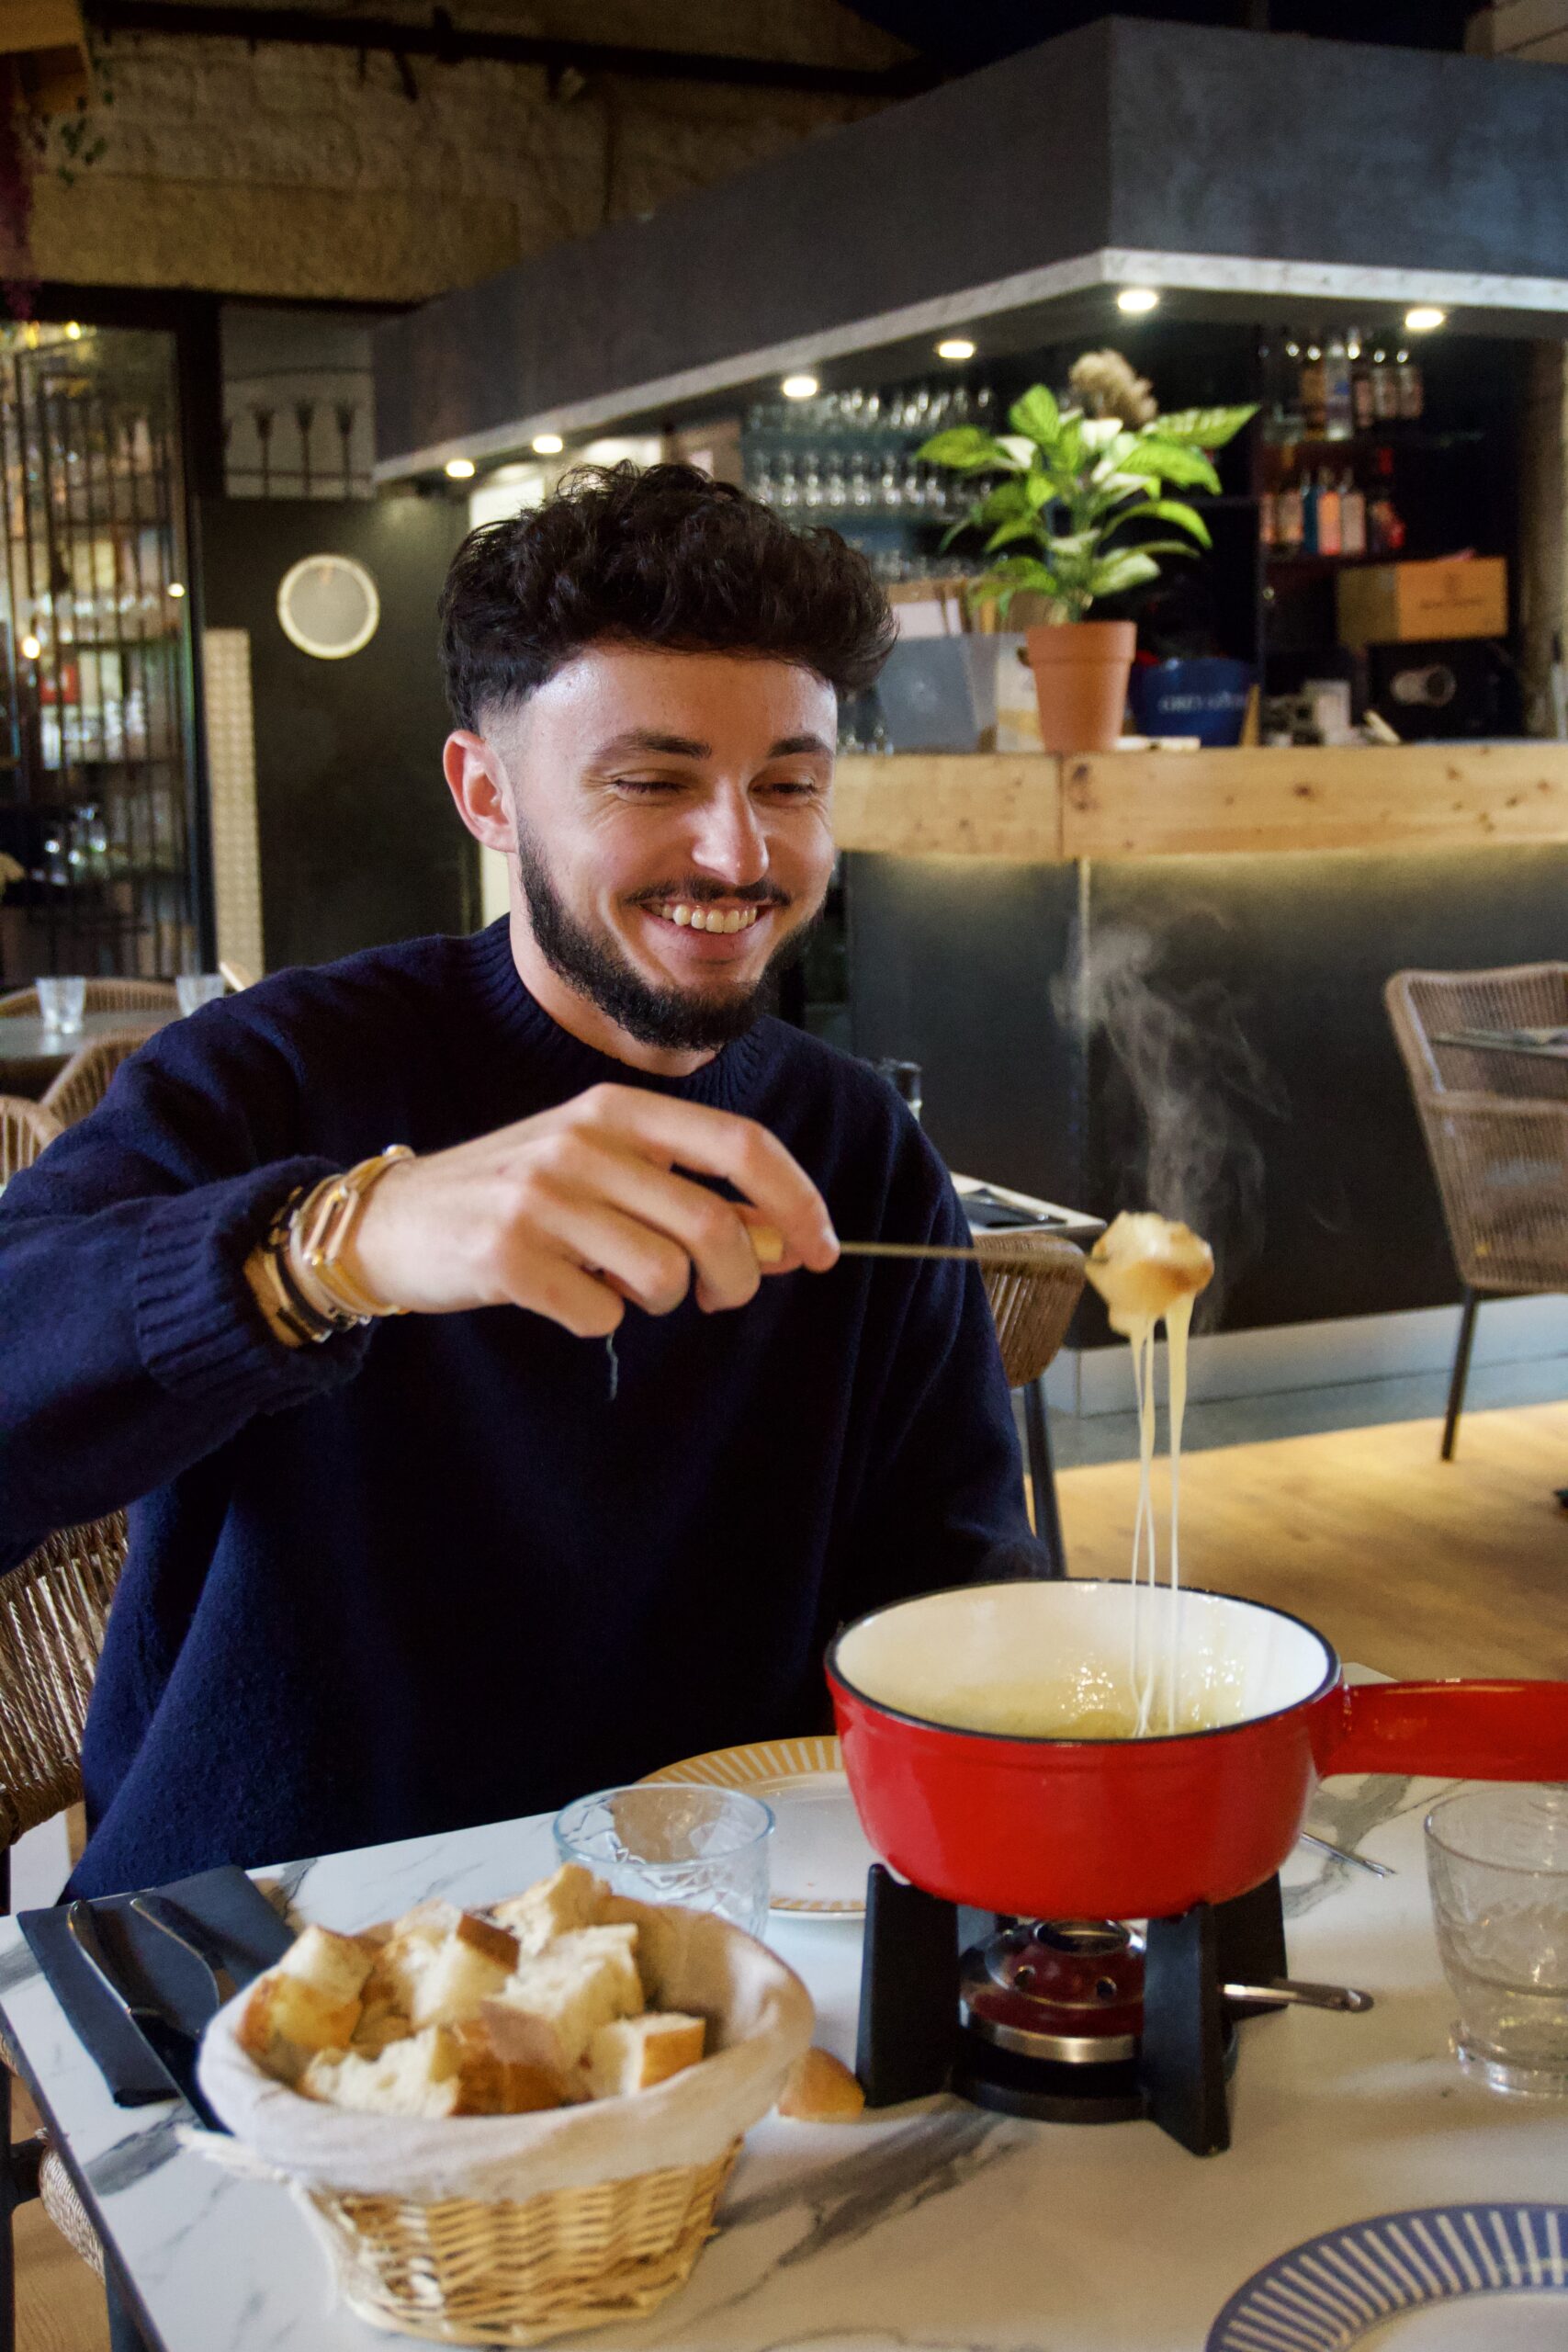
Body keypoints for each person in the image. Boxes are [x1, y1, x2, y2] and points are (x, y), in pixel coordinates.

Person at [0, 464, 1042, 1899]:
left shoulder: (852, 1145)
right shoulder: (274, 1073)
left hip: (714, 1933)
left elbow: (954, 1596)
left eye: (789, 785)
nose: (739, 851)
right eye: (653, 781)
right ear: (486, 793)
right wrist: (328, 1251)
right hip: (264, 1937)